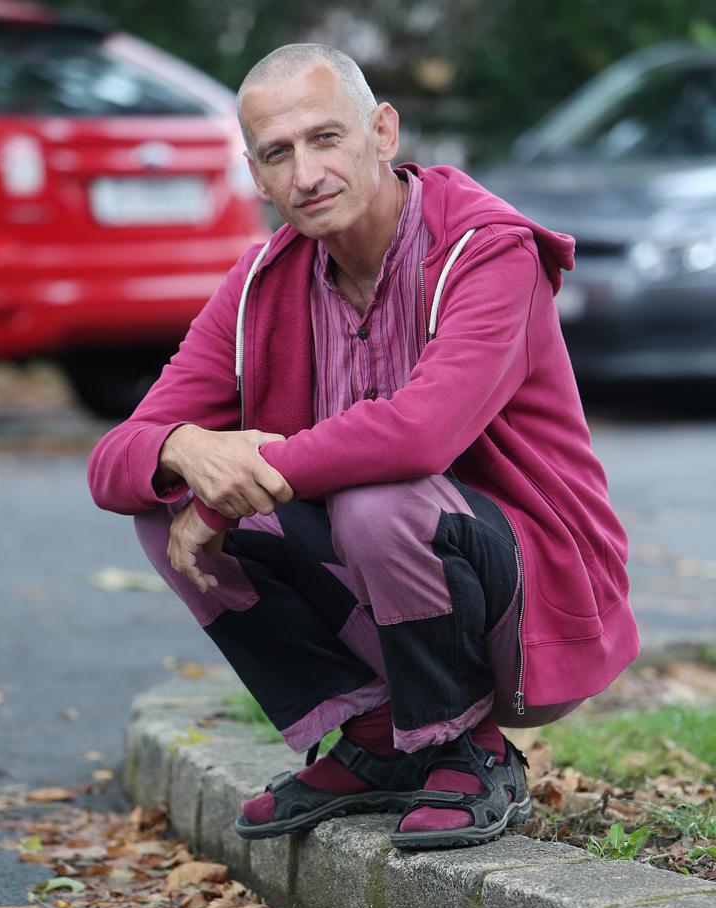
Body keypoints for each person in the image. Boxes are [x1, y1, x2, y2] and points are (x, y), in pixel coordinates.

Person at [87, 43, 640, 851]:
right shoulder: (260, 284)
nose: (307, 174)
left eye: (326, 138)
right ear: (256, 175)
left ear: (382, 132)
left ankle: (466, 748)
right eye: (279, 153)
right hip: (394, 561)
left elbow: (421, 433)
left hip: (537, 589)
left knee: (376, 503)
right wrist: (184, 447)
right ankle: (380, 736)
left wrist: (239, 479)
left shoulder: (488, 251)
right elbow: (114, 460)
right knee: (163, 503)